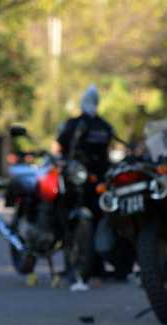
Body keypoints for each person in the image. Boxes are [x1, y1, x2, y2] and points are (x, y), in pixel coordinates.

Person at [57, 85, 120, 281]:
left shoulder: (75, 124)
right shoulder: (104, 126)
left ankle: (76, 264)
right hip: (97, 181)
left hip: (80, 183)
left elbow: (62, 147)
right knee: (98, 220)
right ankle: (95, 266)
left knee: (72, 223)